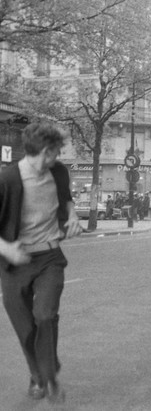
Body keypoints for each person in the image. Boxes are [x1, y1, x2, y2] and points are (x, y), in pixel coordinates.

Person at [0, 122, 83, 403]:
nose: (59, 157)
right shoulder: (7, 180)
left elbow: (67, 200)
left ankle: (48, 376)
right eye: (57, 151)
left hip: (49, 258)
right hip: (15, 262)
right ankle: (37, 374)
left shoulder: (59, 172)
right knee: (26, 328)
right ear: (46, 152)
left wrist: (72, 217)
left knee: (45, 316)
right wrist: (7, 250)